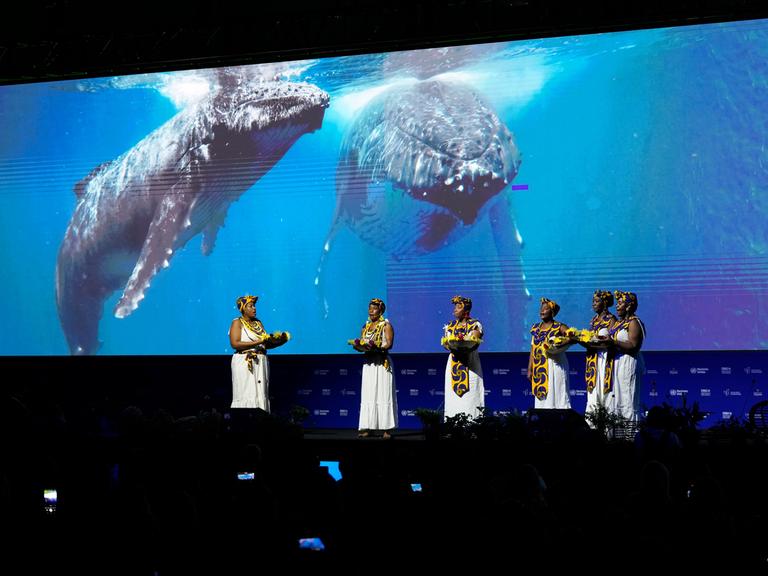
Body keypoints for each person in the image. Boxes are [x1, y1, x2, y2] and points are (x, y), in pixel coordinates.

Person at [356, 298, 397, 438]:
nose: (371, 311)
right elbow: (361, 342)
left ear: (381, 310)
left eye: (374, 308)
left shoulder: (386, 325)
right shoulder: (365, 327)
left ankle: (387, 429)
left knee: (383, 394)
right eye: (369, 308)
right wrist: (359, 346)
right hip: (369, 364)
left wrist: (378, 348)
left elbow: (389, 344)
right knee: (368, 395)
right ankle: (368, 427)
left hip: (382, 363)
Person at [442, 295, 485, 419]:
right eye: (455, 306)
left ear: (466, 310)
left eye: (458, 307)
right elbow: (446, 344)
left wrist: (464, 346)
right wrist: (451, 346)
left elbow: (475, 339)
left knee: (471, 396)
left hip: (471, 364)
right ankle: (452, 426)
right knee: (453, 398)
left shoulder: (475, 324)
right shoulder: (450, 325)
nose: (455, 309)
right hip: (454, 363)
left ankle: (473, 428)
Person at [527, 297, 571, 409]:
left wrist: (560, 343)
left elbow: (573, 336)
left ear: (552, 312)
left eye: (545, 309)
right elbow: (533, 349)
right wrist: (530, 368)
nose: (542, 311)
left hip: (555, 366)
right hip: (539, 367)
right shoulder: (536, 328)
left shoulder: (559, 326)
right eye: (541, 309)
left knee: (556, 394)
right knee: (542, 400)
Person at [229, 295, 271, 411]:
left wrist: (278, 341)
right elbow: (235, 343)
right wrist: (259, 341)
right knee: (247, 392)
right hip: (244, 362)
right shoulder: (237, 322)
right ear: (243, 308)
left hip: (261, 362)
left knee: (261, 393)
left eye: (254, 306)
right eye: (250, 306)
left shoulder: (258, 323)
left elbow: (264, 343)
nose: (254, 309)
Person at [609, 291, 645, 422]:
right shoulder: (618, 323)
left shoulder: (634, 322)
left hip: (628, 363)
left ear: (629, 306)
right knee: (618, 400)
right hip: (617, 363)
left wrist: (612, 342)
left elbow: (634, 345)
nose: (617, 307)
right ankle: (618, 435)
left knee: (628, 400)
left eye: (620, 304)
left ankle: (630, 437)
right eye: (616, 304)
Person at [584, 290, 618, 418]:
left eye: (597, 301)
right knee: (593, 395)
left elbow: (612, 341)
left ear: (605, 303)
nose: (593, 304)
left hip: (605, 359)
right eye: (593, 301)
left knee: (605, 394)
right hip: (593, 359)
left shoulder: (611, 319)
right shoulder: (593, 320)